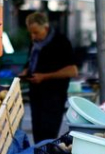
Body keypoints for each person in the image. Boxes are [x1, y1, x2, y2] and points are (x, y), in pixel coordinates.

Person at [19, 12, 77, 143]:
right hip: (36, 95)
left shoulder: (61, 42)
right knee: (37, 136)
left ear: (45, 27)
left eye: (36, 32)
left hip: (53, 98)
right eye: (31, 33)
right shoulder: (35, 44)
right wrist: (26, 72)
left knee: (48, 136)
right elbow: (31, 63)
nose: (33, 36)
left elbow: (72, 71)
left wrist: (44, 77)